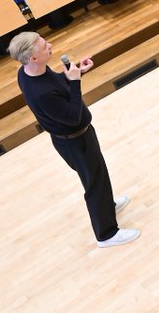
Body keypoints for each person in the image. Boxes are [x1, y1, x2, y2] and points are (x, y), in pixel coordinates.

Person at [8, 32, 138, 248]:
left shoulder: (29, 72)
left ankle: (107, 206)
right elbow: (72, 116)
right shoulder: (40, 93)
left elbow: (57, 84)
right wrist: (76, 83)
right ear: (32, 58)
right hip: (74, 142)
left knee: (99, 174)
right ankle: (106, 234)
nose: (49, 45)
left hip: (80, 136)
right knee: (94, 184)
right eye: (43, 46)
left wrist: (74, 72)